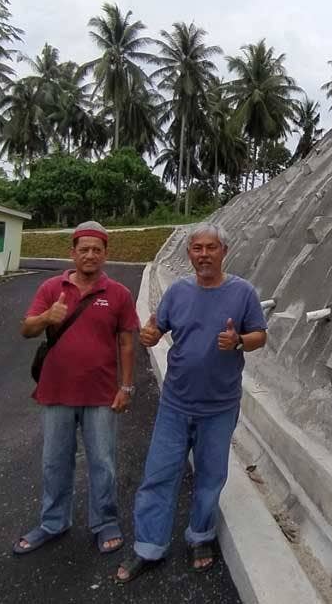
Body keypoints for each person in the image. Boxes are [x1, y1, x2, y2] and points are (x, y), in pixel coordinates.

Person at [115, 222, 267, 583]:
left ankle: (200, 536)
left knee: (211, 475)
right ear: (189, 254)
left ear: (224, 252)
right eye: (197, 248)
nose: (203, 254)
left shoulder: (242, 292)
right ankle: (148, 547)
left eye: (210, 248)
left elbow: (260, 335)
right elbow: (156, 330)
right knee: (158, 474)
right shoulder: (178, 292)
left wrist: (239, 341)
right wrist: (149, 336)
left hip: (220, 404)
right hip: (176, 403)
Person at [14, 221, 138, 556]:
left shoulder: (119, 294)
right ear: (72, 252)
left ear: (105, 254)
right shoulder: (51, 288)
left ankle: (105, 521)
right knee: (55, 461)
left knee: (103, 461)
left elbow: (127, 342)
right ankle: (53, 522)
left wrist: (125, 386)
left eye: (97, 249)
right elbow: (26, 329)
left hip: (100, 393)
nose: (90, 255)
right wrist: (46, 318)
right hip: (56, 391)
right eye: (83, 249)